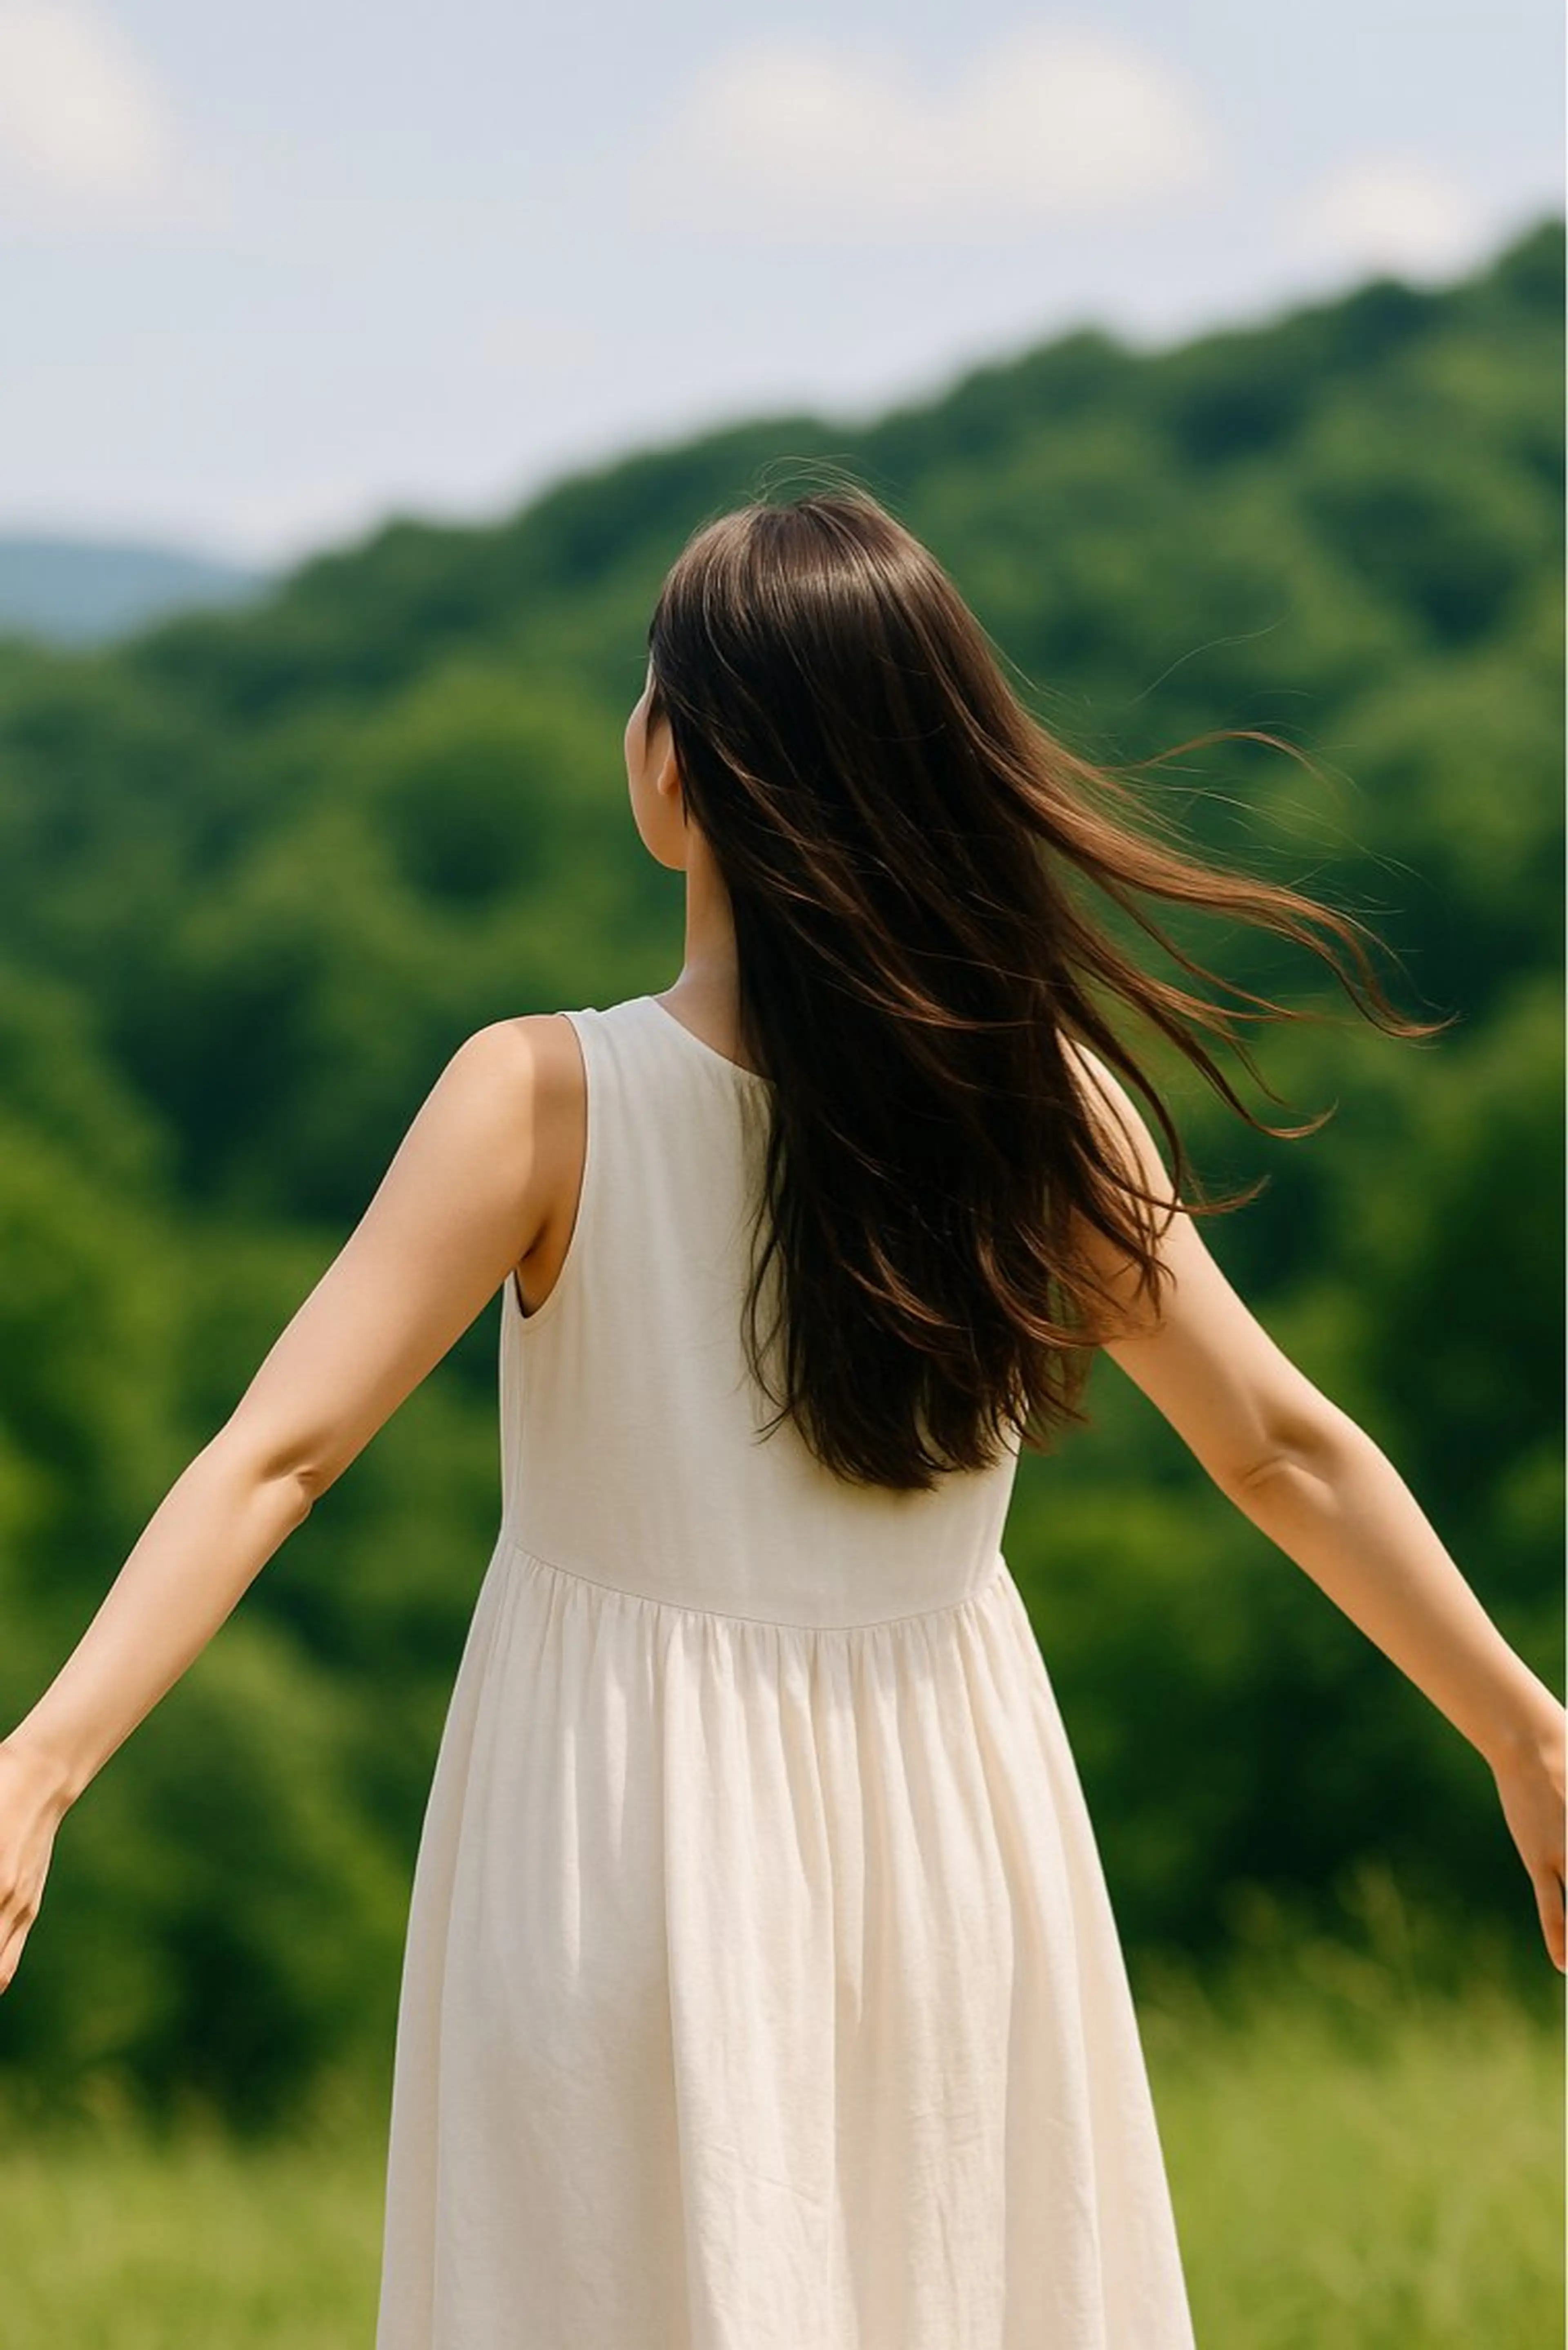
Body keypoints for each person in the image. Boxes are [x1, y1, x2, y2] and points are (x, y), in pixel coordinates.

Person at [0, 485, 1561, 2349]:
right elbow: (1280, 1446)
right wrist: (1524, 1729)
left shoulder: (542, 1096)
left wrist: (46, 1759)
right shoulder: (1041, 1106)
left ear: (681, 769)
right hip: (956, 1856)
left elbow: (283, 1452)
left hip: (613, 1846)